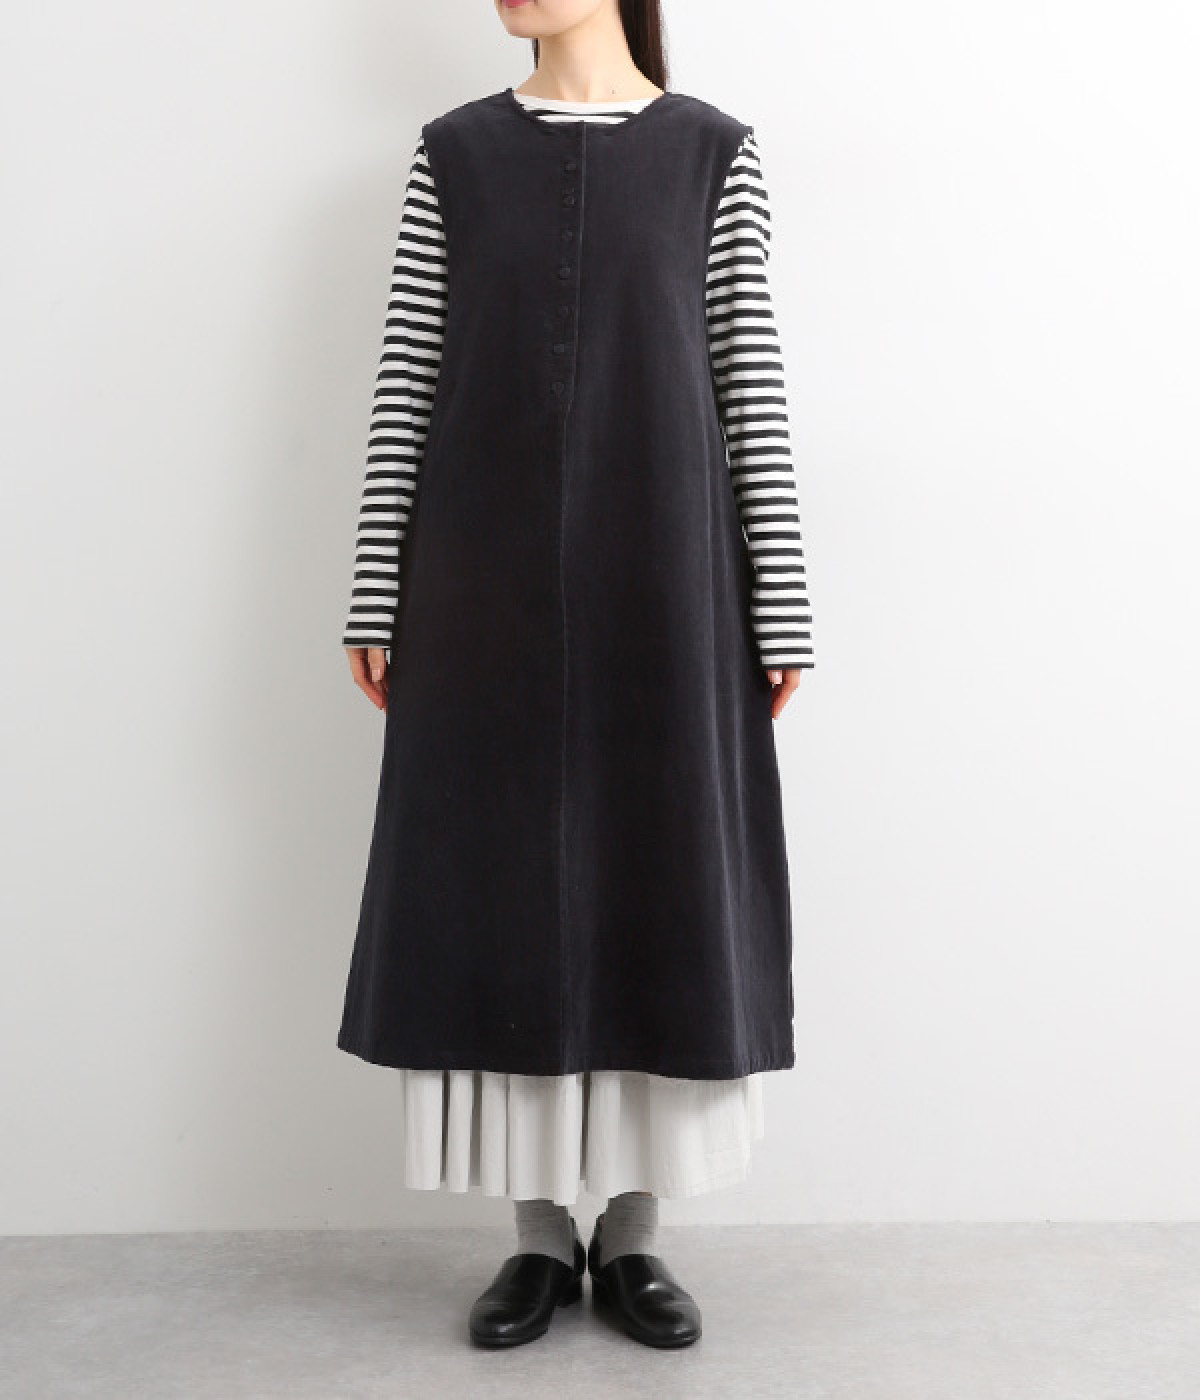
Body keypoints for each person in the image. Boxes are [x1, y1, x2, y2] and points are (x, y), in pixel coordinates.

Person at [337, 0, 814, 1350]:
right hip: (477, 590)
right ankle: (539, 1241)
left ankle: (637, 1236)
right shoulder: (454, 154)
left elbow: (749, 381)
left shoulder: (713, 152)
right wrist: (375, 585)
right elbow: (408, 374)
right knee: (501, 892)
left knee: (662, 880)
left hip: (670, 581)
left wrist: (780, 600)